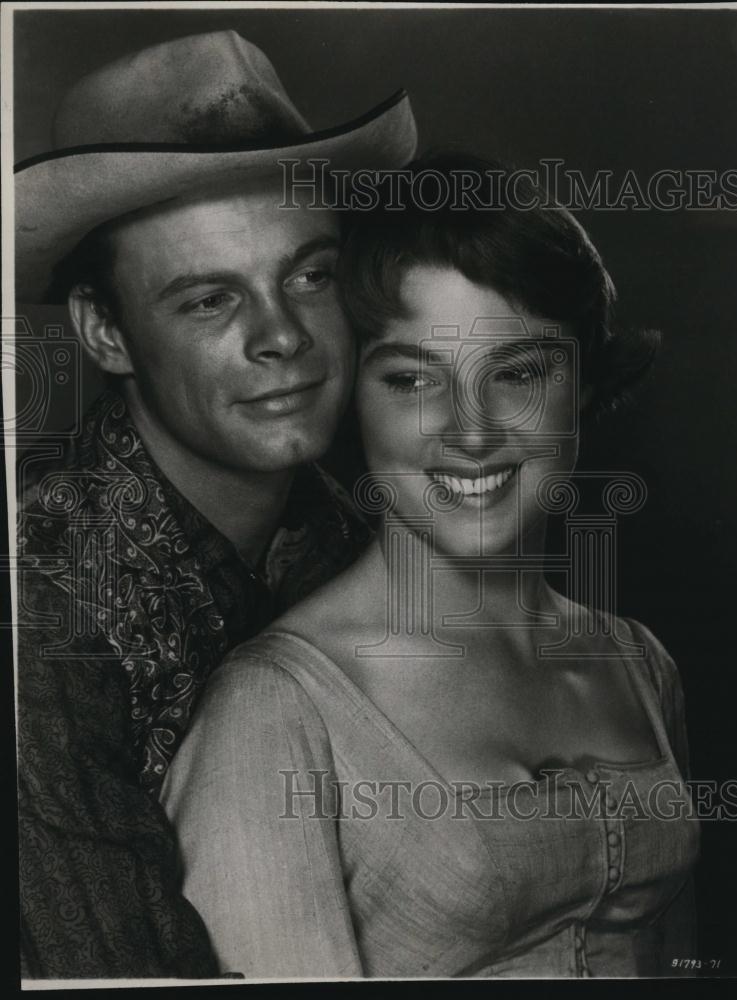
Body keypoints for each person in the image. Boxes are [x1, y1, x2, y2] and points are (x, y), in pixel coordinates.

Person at [162, 153, 701, 979]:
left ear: (583, 385)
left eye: (517, 373)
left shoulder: (638, 663)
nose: (470, 432)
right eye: (412, 380)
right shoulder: (276, 712)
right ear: (351, 401)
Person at [15, 30, 416, 979]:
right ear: (105, 332)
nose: (282, 336)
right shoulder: (40, 610)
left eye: (309, 275)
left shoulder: (371, 540)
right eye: (208, 300)